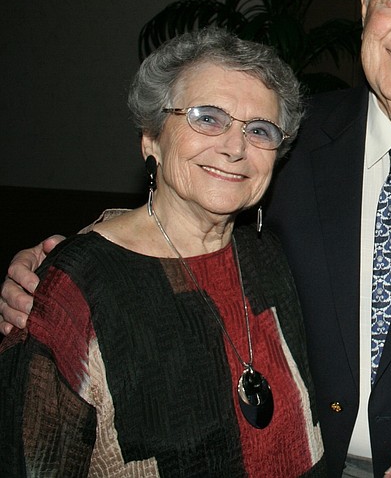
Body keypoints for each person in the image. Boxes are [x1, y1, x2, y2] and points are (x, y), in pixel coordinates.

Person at [1, 0, 391, 477]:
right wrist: (70, 266)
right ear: (365, 5)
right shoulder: (283, 138)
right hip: (302, 458)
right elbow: (191, 205)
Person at [0, 28, 326, 476]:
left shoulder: (268, 257)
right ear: (151, 138)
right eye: (207, 118)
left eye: (259, 129)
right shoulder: (78, 288)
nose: (235, 147)